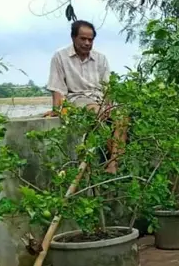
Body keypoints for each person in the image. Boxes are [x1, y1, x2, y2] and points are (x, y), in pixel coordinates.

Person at [47, 20, 125, 173]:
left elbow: (108, 87)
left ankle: (113, 164)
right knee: (97, 113)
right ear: (73, 38)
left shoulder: (100, 58)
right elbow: (57, 87)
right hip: (78, 99)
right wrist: (57, 109)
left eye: (90, 39)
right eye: (83, 39)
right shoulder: (60, 57)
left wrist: (109, 105)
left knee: (122, 115)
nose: (87, 43)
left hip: (99, 99)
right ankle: (117, 163)